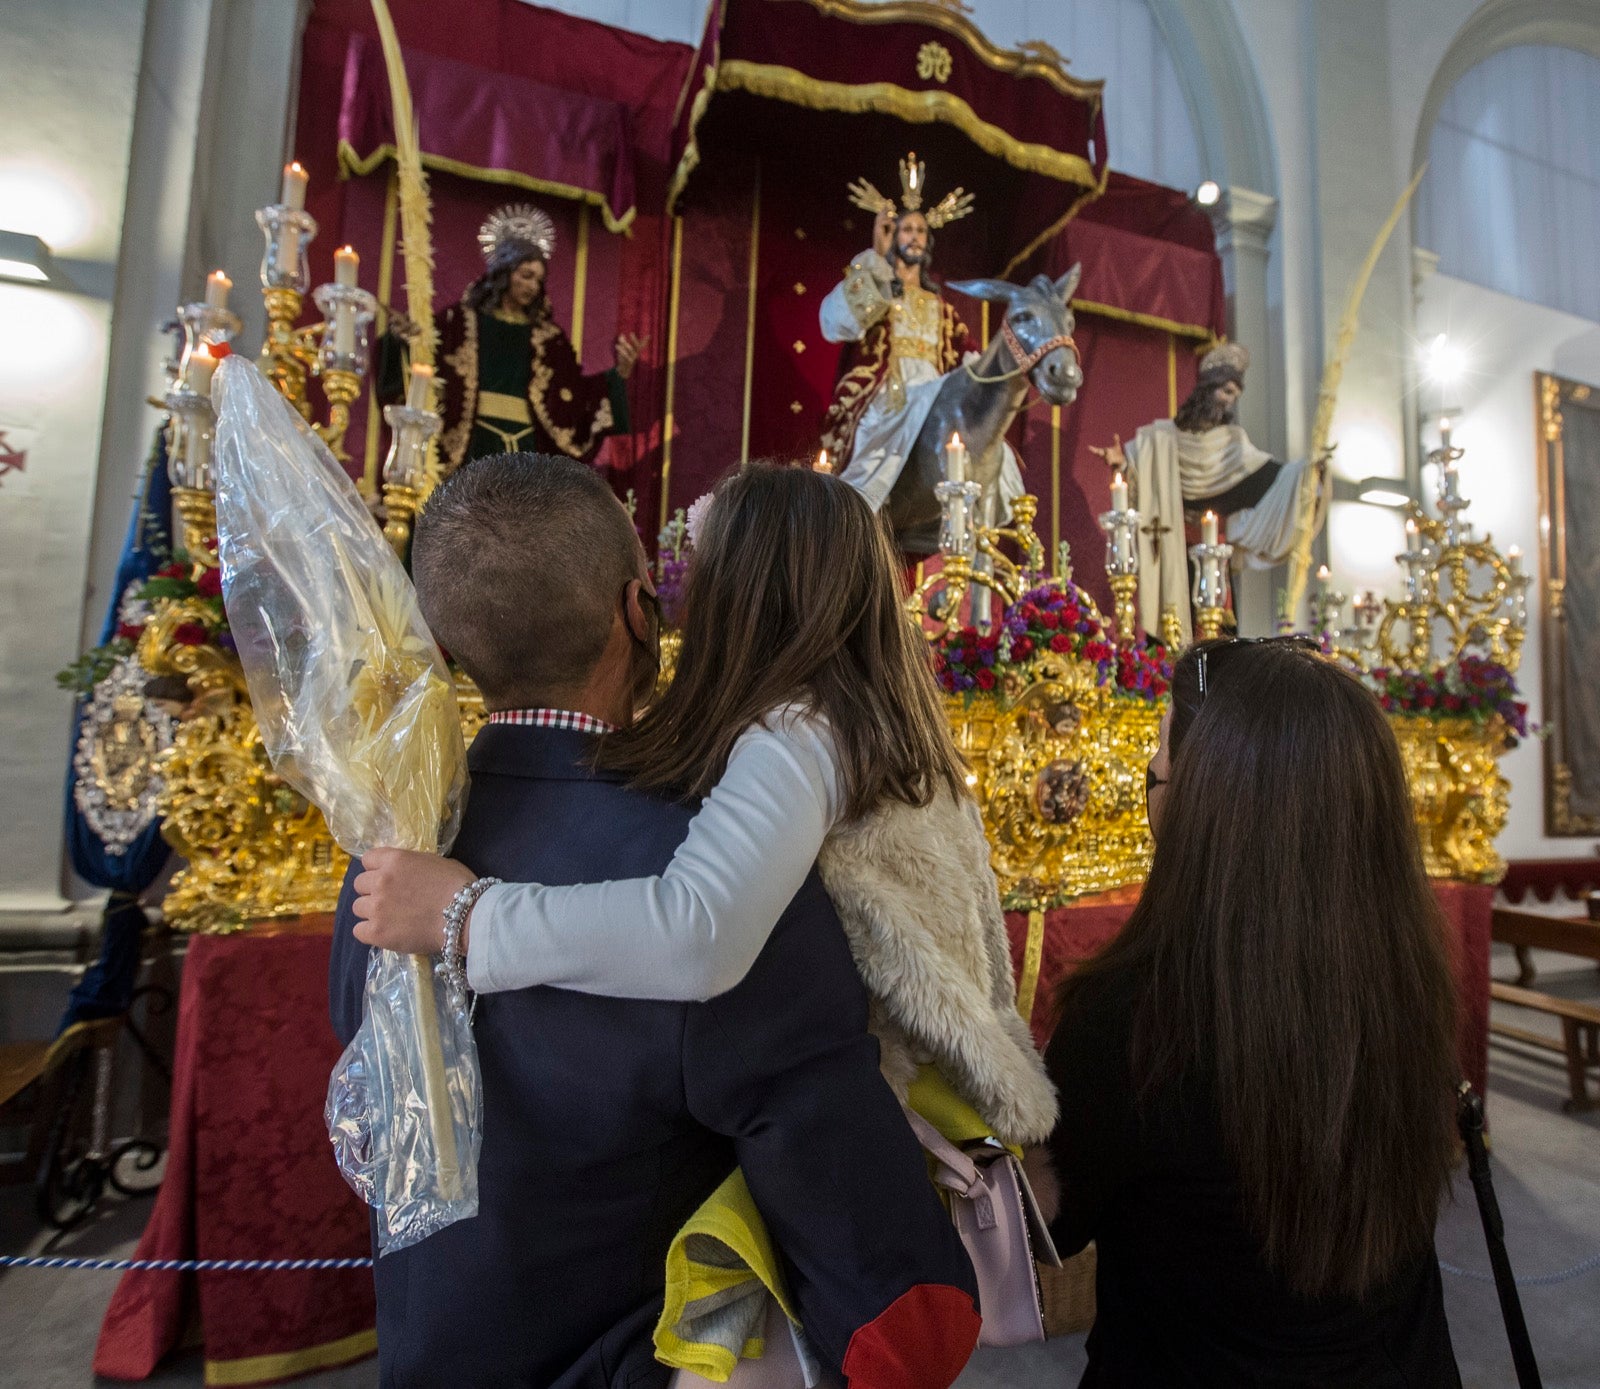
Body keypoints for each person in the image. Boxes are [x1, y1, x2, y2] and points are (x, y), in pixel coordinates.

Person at [329, 454, 981, 1388]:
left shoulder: (388, 861)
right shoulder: (704, 853)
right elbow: (862, 1234)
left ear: (443, 648)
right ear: (641, 612)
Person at [352, 463, 1058, 1153]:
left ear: (742, 598)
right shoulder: (852, 724)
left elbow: (697, 932)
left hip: (897, 1125)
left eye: (697, 572)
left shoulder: (795, 732)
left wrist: (468, 915)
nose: (672, 596)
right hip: (927, 1106)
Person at [1044, 638, 1462, 1387]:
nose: (1150, 786)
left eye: (1156, 770)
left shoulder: (1134, 1015)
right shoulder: (1406, 979)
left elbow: (1050, 1222)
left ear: (1200, 811)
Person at [819, 155, 1025, 526]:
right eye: (906, 229)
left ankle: (988, 513)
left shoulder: (941, 309)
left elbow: (971, 359)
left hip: (933, 392)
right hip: (887, 395)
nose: (914, 236)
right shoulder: (877, 286)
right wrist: (877, 260)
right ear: (891, 235)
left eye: (920, 231)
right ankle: (854, 515)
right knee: (870, 456)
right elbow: (836, 324)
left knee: (988, 442)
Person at [380, 203, 643, 472]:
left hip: (527, 447)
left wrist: (618, 374)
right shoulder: (459, 322)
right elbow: (423, 357)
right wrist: (400, 339)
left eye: (538, 280)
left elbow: (575, 397)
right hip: (471, 443)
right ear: (505, 273)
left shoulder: (549, 339)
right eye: (526, 275)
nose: (532, 286)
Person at [1093, 344, 1325, 643]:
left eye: (1235, 396)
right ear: (1207, 388)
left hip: (1212, 557)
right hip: (1170, 552)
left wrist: (1308, 472)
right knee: (1170, 637)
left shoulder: (1234, 445)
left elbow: (1272, 477)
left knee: (1217, 643)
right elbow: (1138, 478)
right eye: (1227, 391)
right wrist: (1123, 464)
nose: (1229, 403)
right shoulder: (1163, 439)